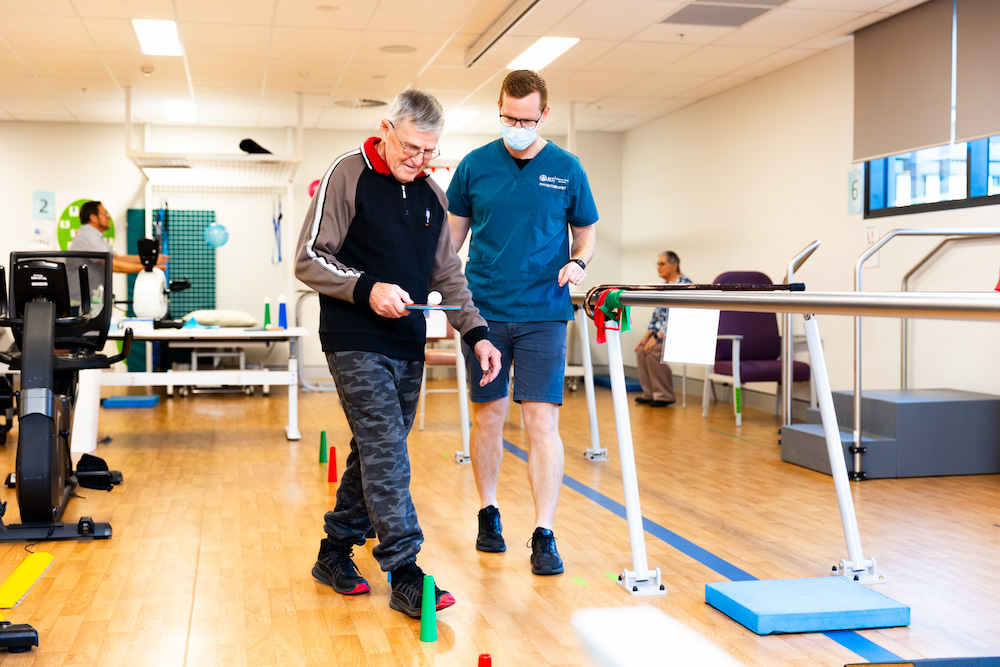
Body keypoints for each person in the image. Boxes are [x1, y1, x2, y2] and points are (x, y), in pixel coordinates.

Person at [294, 89, 502, 618]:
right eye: (411, 147)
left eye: (429, 151)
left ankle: (334, 551)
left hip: (407, 342)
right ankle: (406, 569)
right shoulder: (347, 175)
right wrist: (367, 288)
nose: (419, 160)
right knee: (387, 446)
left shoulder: (433, 193)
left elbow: (448, 275)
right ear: (386, 130)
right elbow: (310, 258)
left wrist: (476, 333)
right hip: (353, 337)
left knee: (374, 450)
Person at [447, 69, 599, 576]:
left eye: (526, 119)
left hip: (544, 313)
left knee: (541, 422)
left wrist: (579, 263)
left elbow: (587, 234)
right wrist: (445, 297)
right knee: (488, 416)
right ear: (499, 108)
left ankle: (544, 532)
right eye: (509, 117)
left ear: (543, 115)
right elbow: (450, 245)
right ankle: (488, 513)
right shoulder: (473, 167)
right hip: (484, 312)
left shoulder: (566, 168)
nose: (517, 126)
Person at [67, 200, 167, 308]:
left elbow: (117, 258)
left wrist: (150, 259)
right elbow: (113, 265)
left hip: (88, 302)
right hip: (79, 304)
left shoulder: (94, 236)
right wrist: (148, 267)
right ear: (93, 217)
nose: (108, 217)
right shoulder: (87, 236)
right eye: (104, 213)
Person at [634, 251, 693, 407]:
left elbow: (676, 316)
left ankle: (664, 395)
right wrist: (646, 338)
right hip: (661, 332)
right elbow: (656, 316)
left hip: (677, 332)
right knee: (641, 350)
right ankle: (649, 393)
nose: (658, 267)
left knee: (654, 351)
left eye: (662, 264)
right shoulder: (664, 287)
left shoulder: (684, 285)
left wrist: (657, 338)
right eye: (657, 264)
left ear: (674, 265)